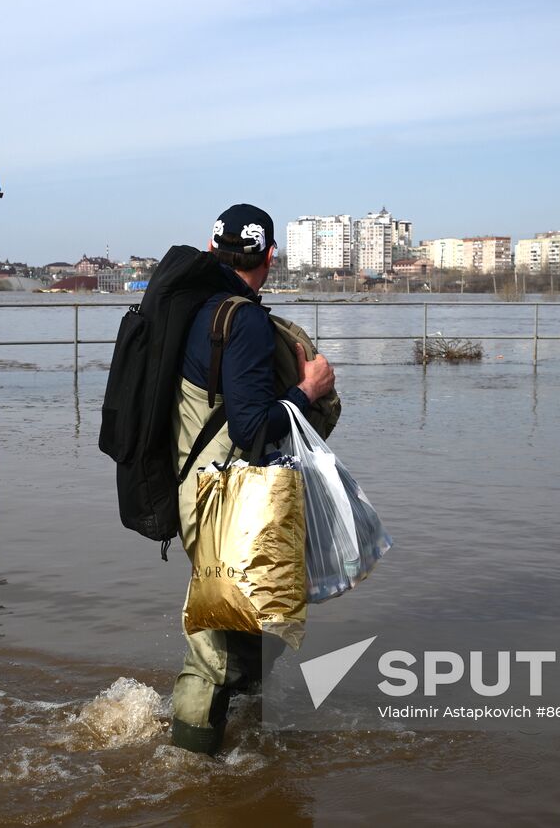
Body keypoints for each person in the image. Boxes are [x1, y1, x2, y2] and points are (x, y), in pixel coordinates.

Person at [169, 203, 336, 754]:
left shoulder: (196, 306)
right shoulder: (244, 321)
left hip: (201, 489)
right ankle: (186, 766)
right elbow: (254, 426)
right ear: (269, 257)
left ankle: (238, 746)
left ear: (215, 248)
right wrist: (308, 389)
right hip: (227, 499)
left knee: (258, 625)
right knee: (216, 645)